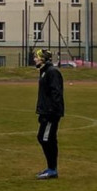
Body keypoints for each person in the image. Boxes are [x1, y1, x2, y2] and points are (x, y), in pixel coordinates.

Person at [34, 47, 65, 179]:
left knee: (44, 138)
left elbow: (56, 93)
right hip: (46, 112)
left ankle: (52, 169)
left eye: (37, 57)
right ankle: (51, 169)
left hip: (51, 113)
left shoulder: (52, 72)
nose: (35, 59)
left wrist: (51, 112)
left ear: (43, 59)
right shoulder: (44, 72)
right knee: (48, 139)